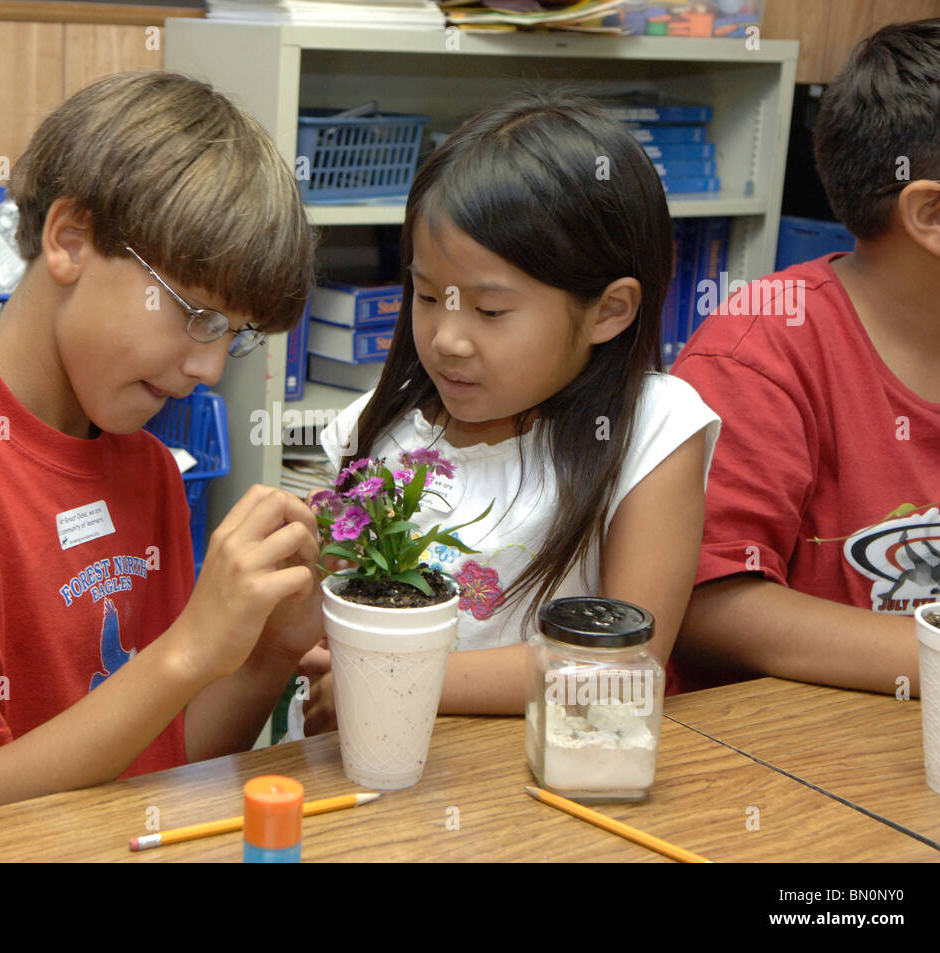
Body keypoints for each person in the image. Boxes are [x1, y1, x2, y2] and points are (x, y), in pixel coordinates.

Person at [0, 70, 322, 860]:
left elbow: (163, 763)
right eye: (197, 314)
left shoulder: (147, 469)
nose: (211, 367)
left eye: (234, 335)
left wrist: (265, 652)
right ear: (70, 239)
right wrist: (187, 652)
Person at [300, 92, 721, 730]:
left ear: (609, 310)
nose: (447, 338)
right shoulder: (371, 431)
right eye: (426, 295)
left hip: (533, 790)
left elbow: (625, 668)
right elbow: (332, 631)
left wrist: (391, 678)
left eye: (490, 311)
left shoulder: (652, 430)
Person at [670, 18, 940, 697]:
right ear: (936, 216)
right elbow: (706, 604)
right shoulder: (761, 349)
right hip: (796, 757)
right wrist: (939, 662)